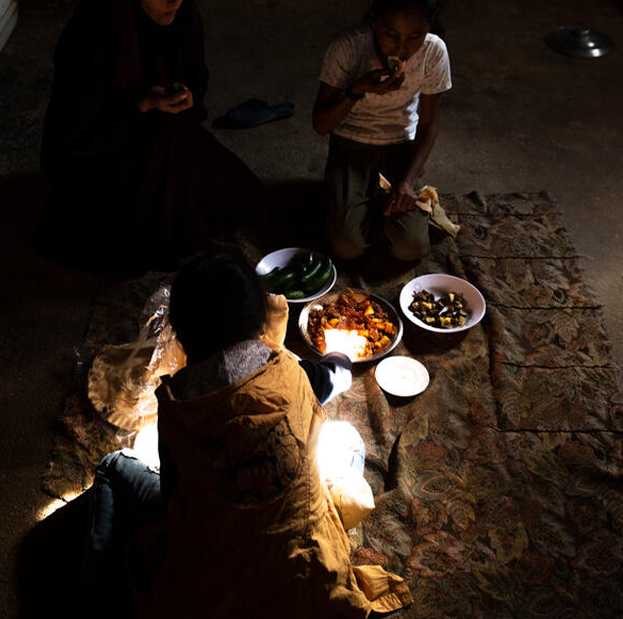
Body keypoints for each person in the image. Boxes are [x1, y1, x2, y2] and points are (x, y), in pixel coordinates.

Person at [75, 253, 408, 618]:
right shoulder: (291, 373)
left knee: (113, 465)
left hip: (217, 589)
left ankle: (96, 596)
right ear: (261, 322)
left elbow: (174, 502)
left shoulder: (177, 405)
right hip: (308, 574)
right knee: (347, 439)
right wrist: (340, 356)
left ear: (182, 334)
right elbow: (333, 375)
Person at [37, 0, 260, 276]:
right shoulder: (89, 39)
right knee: (137, 243)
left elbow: (197, 75)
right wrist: (140, 103)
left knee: (237, 198)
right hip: (103, 151)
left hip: (164, 128)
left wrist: (188, 95)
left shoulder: (184, 14)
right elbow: (76, 135)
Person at [312, 0, 452, 262]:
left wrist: (407, 180)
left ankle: (372, 202)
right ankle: (354, 202)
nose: (402, 49)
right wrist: (357, 89)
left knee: (410, 248)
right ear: (374, 19)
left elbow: (427, 123)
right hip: (350, 146)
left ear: (430, 28)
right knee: (347, 248)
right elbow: (321, 124)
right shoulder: (348, 48)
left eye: (415, 36)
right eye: (391, 34)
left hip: (400, 146)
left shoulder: (433, 52)